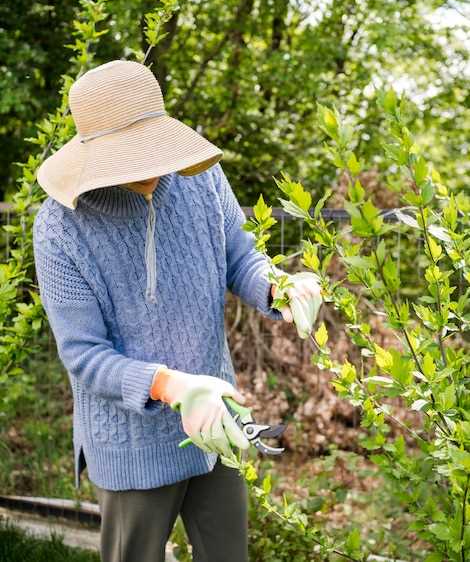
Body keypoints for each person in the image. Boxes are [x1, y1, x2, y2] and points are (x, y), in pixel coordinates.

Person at [32, 59, 321, 562]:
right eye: (128, 158)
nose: (148, 169)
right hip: (130, 445)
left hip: (216, 424)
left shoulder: (202, 182)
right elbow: (83, 354)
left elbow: (240, 257)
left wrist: (280, 288)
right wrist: (174, 386)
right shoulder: (60, 228)